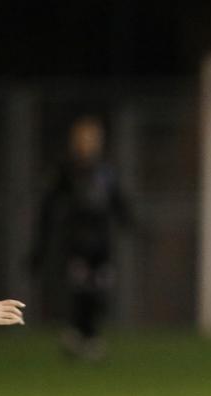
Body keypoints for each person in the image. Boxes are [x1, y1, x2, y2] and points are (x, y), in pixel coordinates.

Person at [30, 116, 132, 360]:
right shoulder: (66, 170)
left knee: (99, 291)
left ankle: (89, 336)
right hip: (76, 241)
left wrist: (129, 221)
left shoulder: (106, 171)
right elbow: (49, 206)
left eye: (93, 138)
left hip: (101, 243)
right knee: (80, 290)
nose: (89, 143)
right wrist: (40, 246)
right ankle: (79, 335)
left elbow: (118, 202)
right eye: (84, 138)